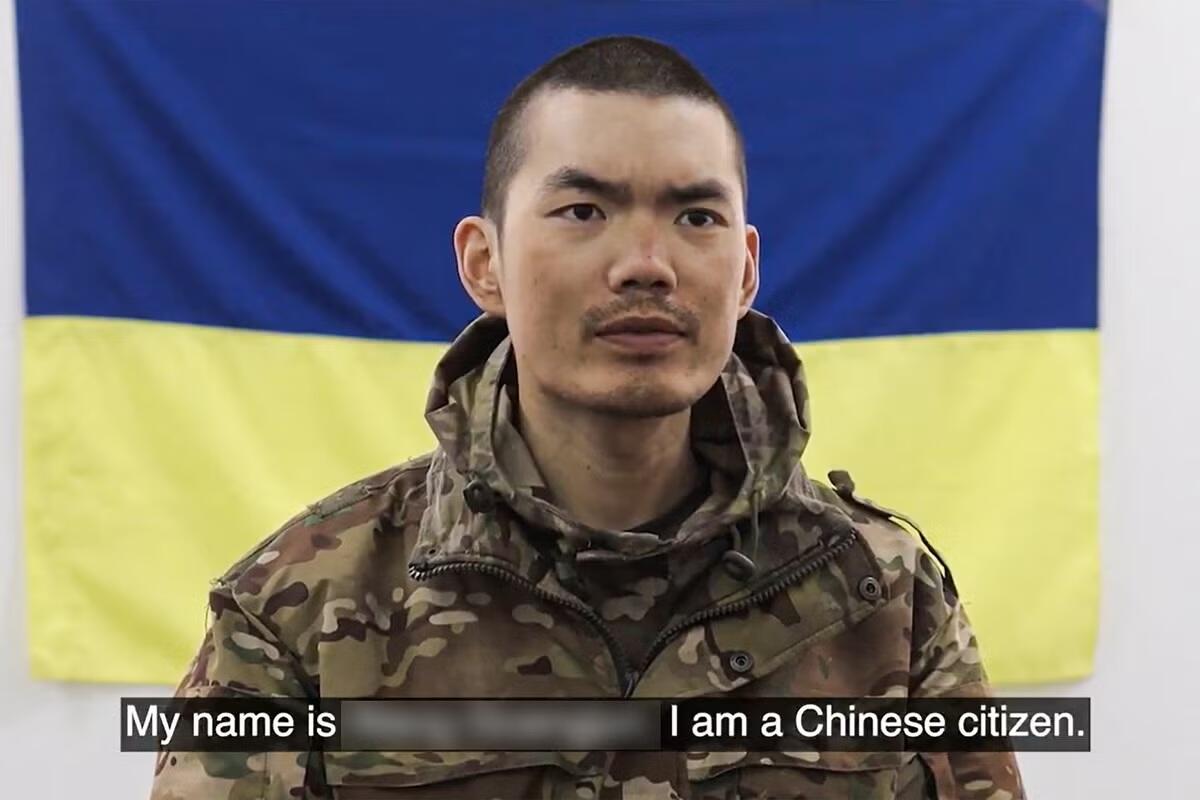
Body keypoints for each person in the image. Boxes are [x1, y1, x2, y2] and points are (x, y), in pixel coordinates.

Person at [150, 35, 1025, 799]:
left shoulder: (884, 594)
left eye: (696, 216)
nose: (646, 264)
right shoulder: (300, 608)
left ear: (747, 269)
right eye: (583, 211)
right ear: (484, 262)